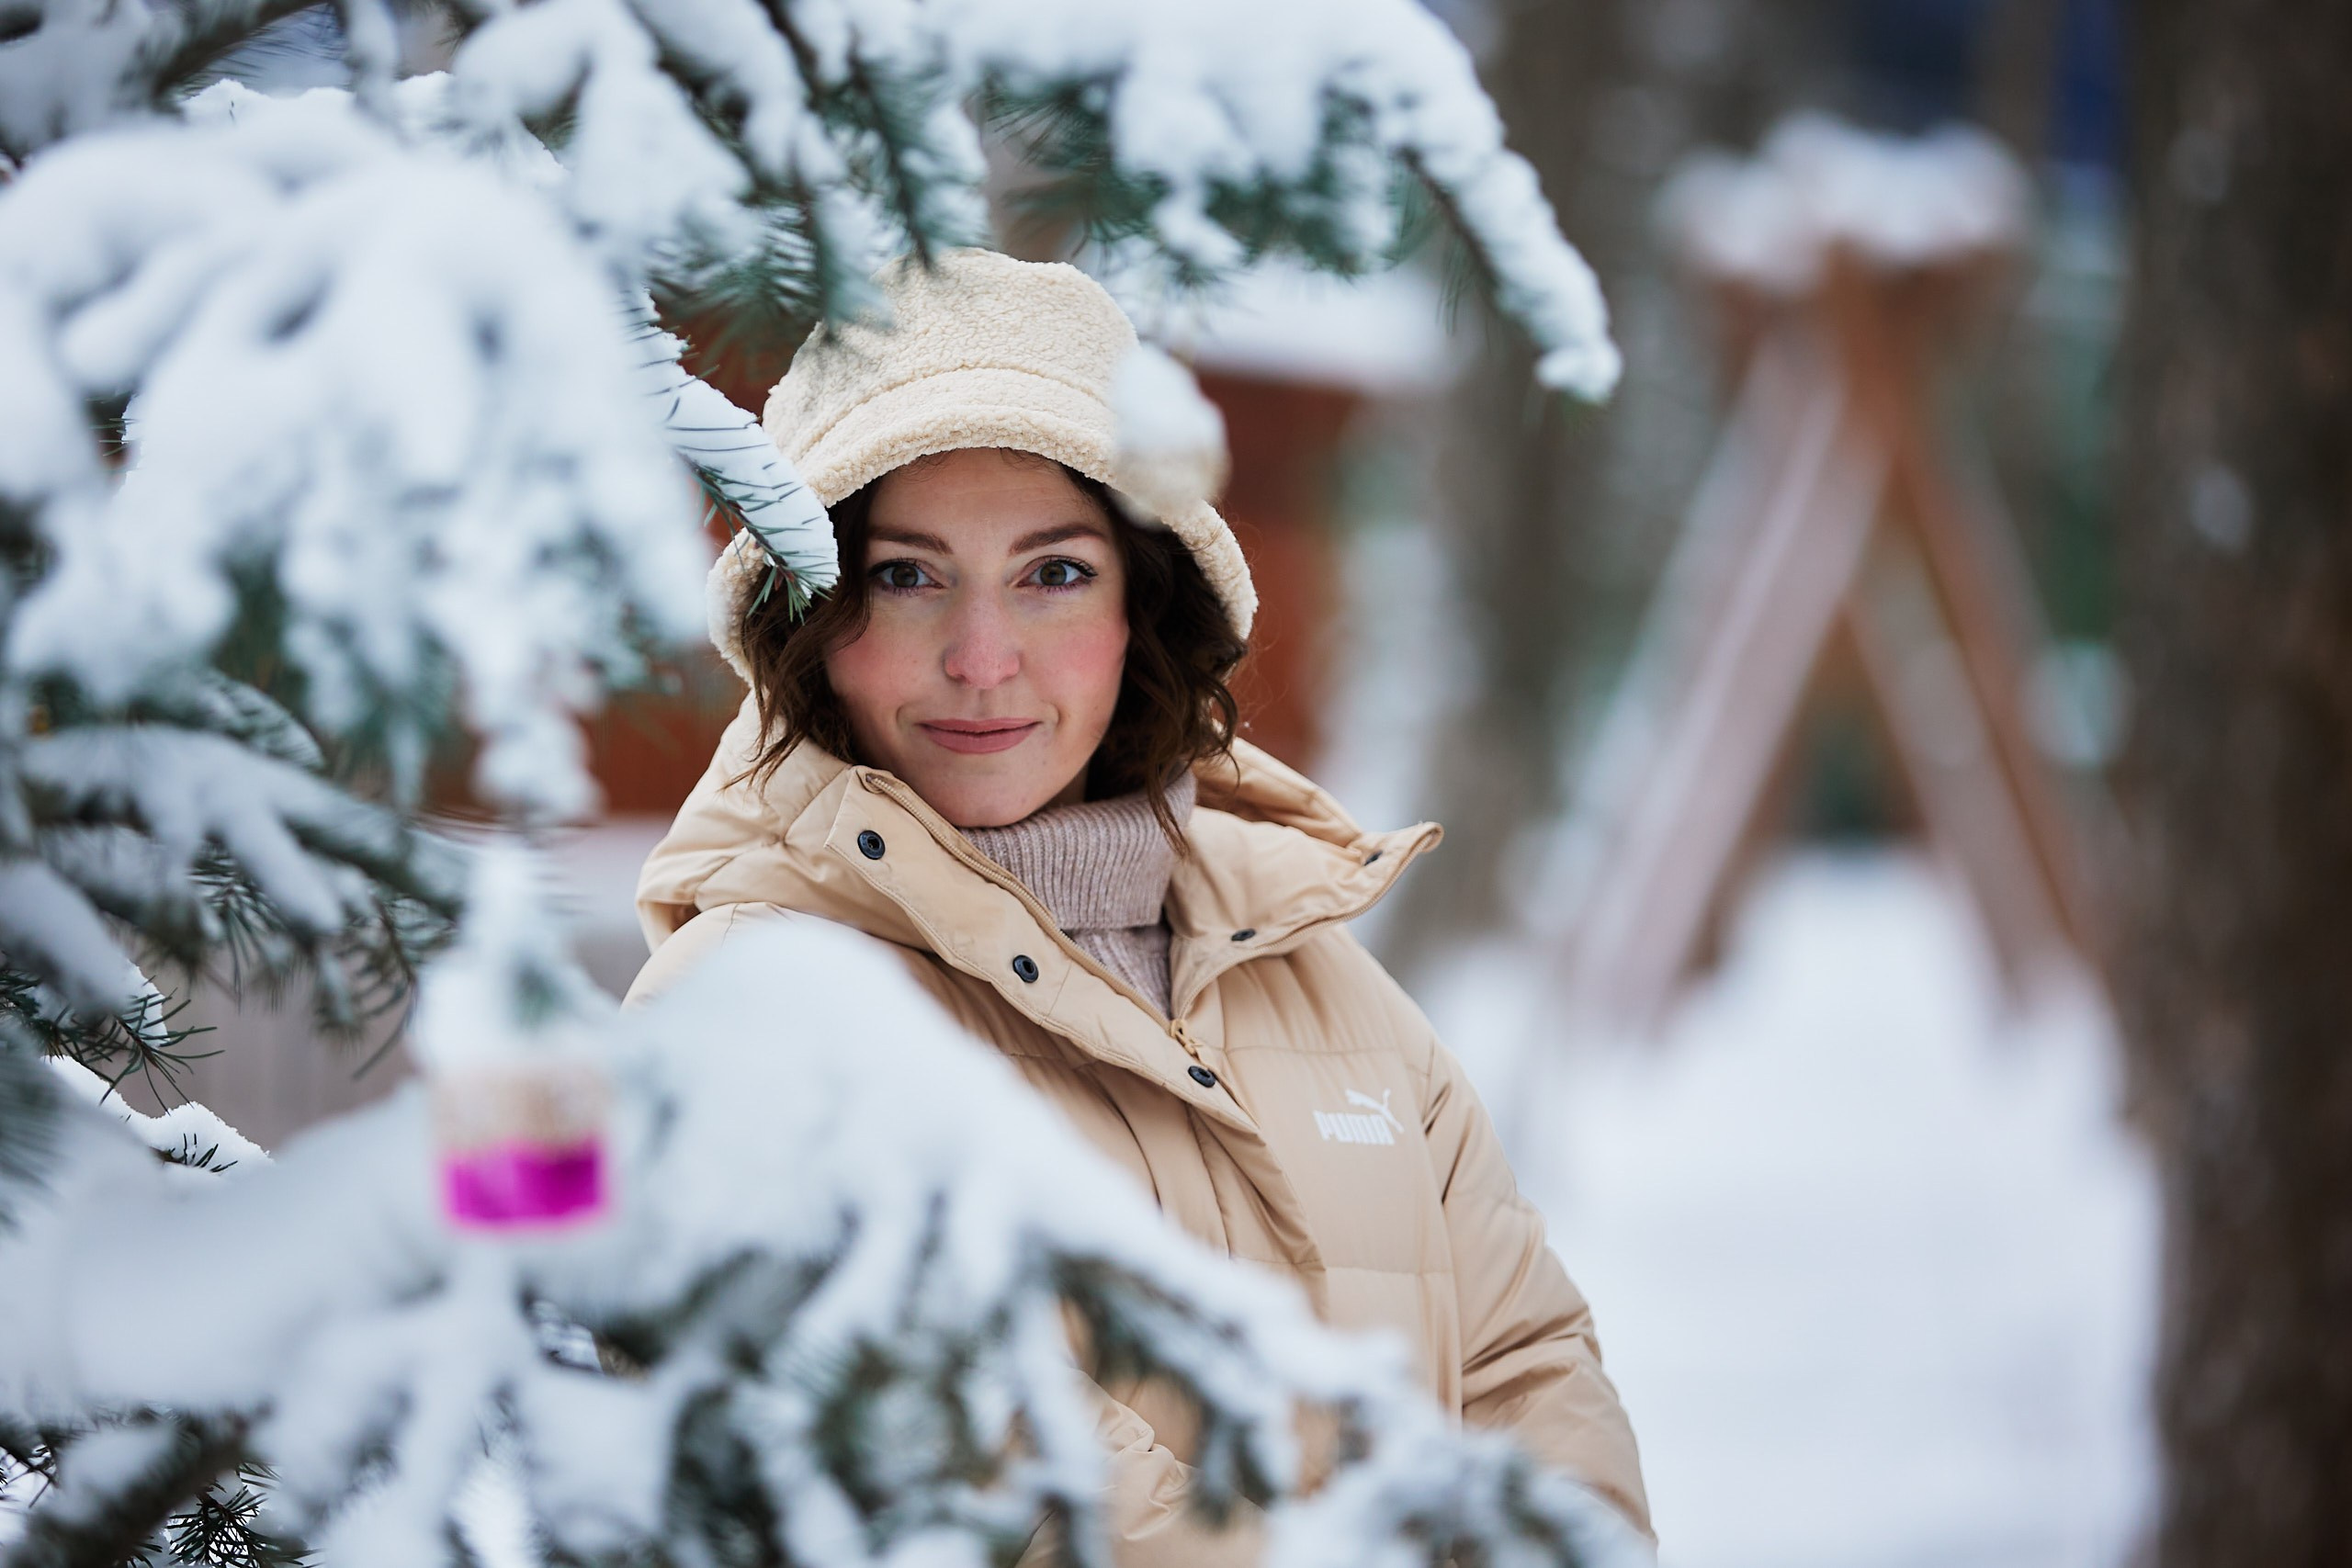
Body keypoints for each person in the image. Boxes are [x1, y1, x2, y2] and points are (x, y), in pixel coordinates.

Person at [627, 249, 1650, 1560]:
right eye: (906, 574)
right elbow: (967, 1459)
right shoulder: (749, 1009)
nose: (982, 660)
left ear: (1142, 604)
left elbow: (1522, 1366)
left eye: (1052, 573)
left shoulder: (1321, 983)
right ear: (811, 618)